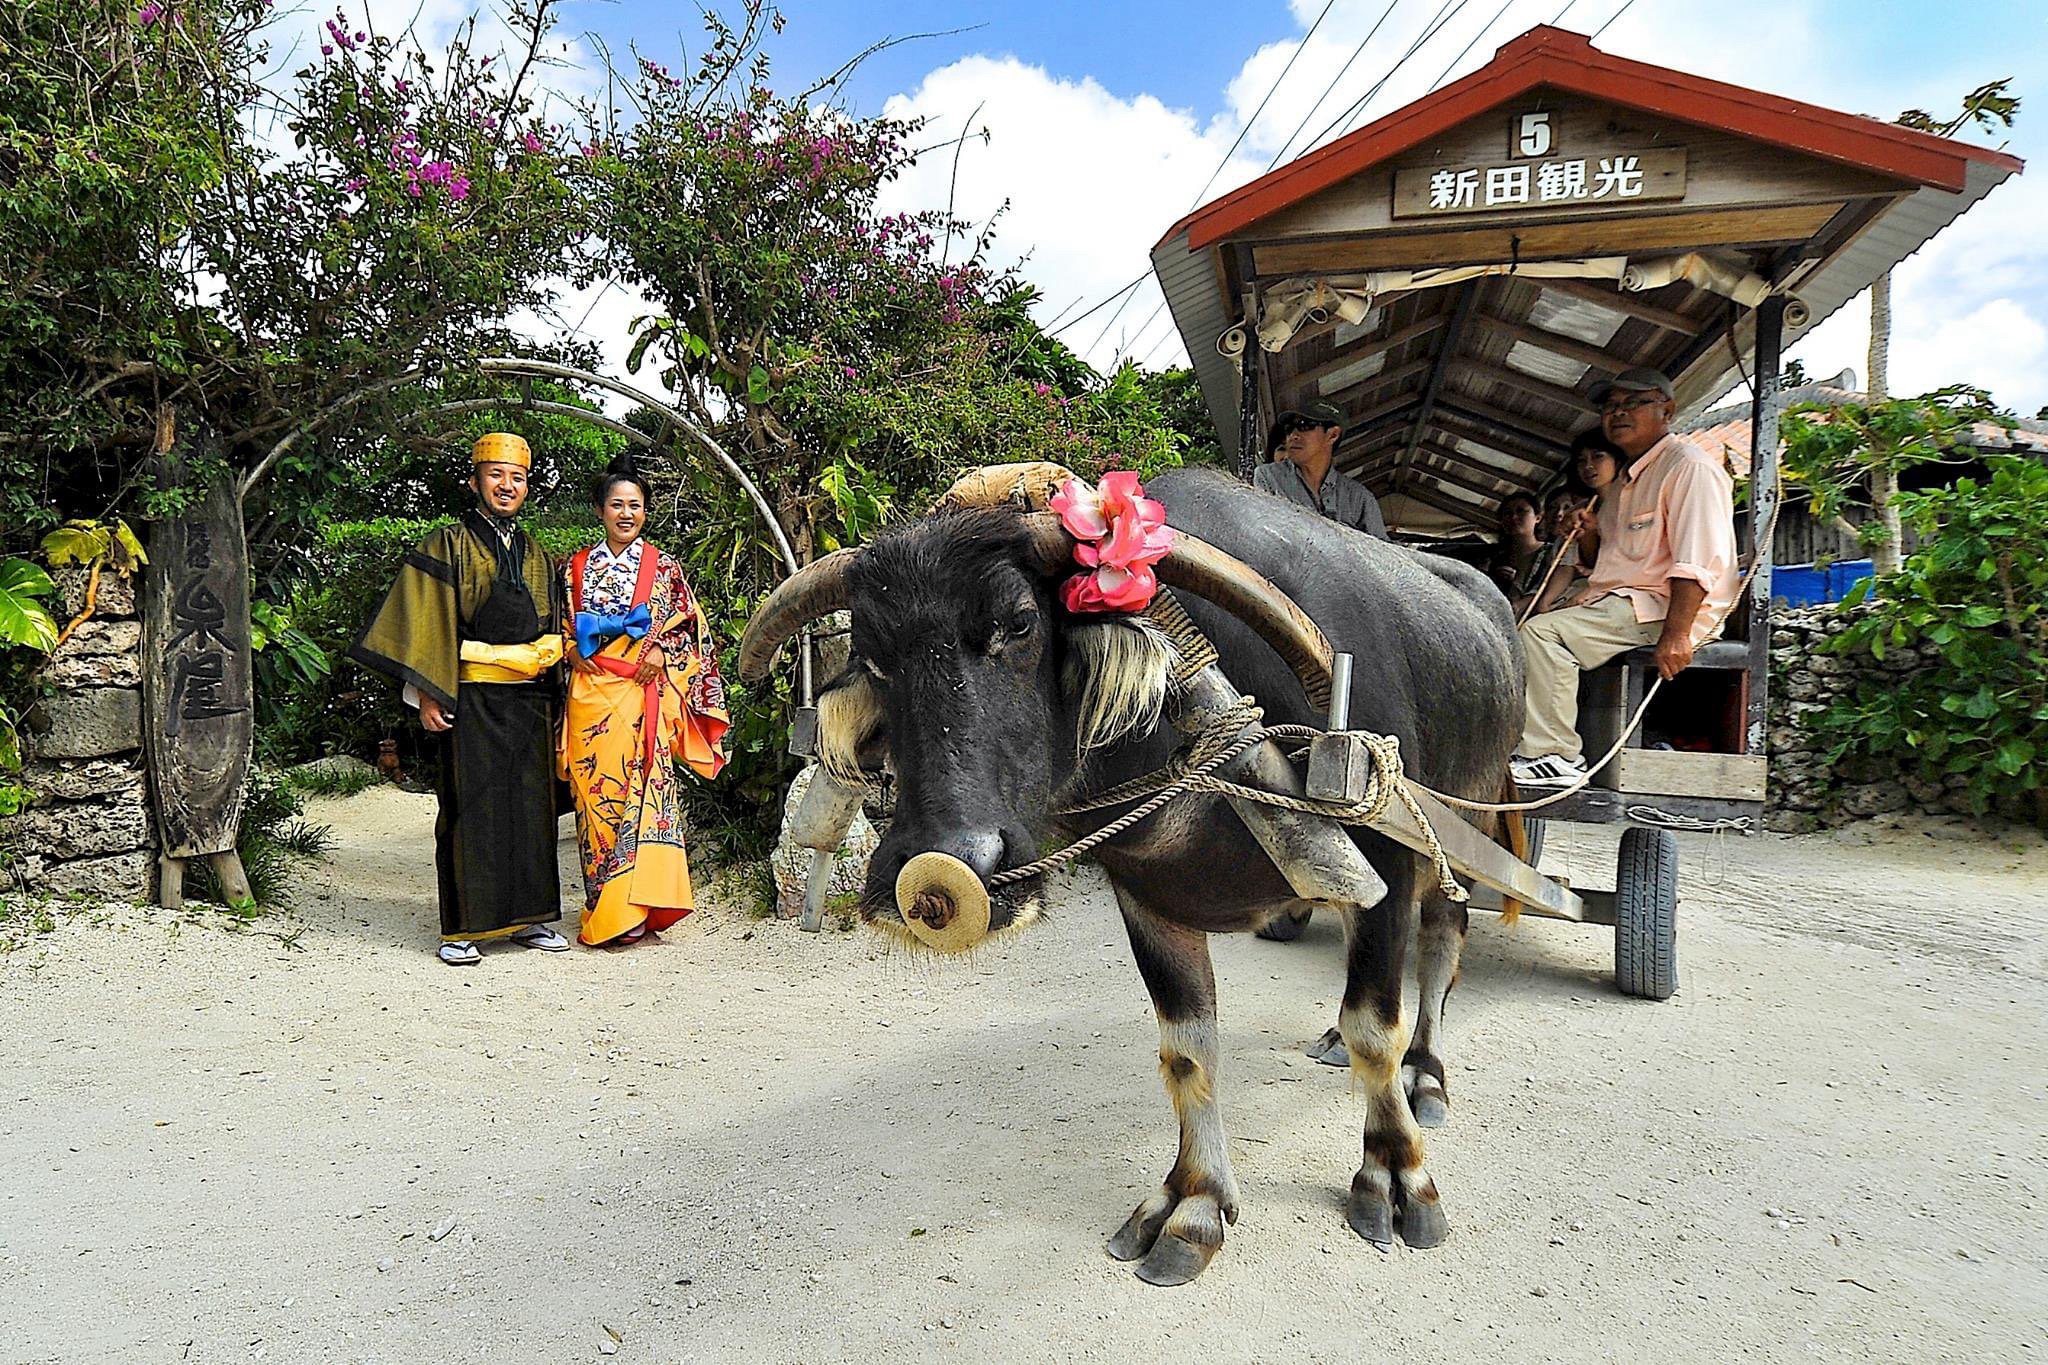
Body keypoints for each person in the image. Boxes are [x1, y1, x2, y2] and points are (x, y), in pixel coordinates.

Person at [348, 433, 572, 964]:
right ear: (474, 481)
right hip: (469, 700)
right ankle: (463, 928)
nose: (507, 485)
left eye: (517, 478)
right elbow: (426, 625)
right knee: (469, 809)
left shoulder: (537, 553)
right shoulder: (445, 544)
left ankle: (531, 919)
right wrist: (426, 693)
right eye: (496, 475)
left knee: (530, 811)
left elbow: (555, 626)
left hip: (528, 702)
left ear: (526, 488)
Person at [1511, 368, 1739, 789]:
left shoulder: (1688, 468)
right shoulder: (1626, 481)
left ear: (1666, 411)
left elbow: (1697, 562)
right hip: (1621, 601)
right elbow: (1605, 567)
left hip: (1666, 609)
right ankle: (1530, 740)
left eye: (1634, 403)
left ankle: (1554, 756)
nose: (1619, 413)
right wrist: (1592, 533)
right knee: (1525, 626)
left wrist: (1677, 635)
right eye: (1611, 406)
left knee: (1544, 636)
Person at [561, 455, 731, 947]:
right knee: (595, 803)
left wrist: (660, 647)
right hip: (589, 695)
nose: (626, 514)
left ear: (646, 512)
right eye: (617, 504)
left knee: (644, 799)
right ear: (600, 510)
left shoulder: (666, 569)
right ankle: (605, 908)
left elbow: (691, 628)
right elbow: (557, 626)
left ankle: (639, 910)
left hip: (642, 694)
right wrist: (571, 648)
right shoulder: (573, 568)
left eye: (635, 505)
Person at [1251, 398, 1389, 538]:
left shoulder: (1360, 499)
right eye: (1289, 428)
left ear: (1332, 435)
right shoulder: (1268, 477)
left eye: (1304, 425)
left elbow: (1383, 554)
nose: (1293, 435)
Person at [1486, 492, 1546, 615]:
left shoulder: (1549, 553)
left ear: (1538, 517)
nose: (1513, 517)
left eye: (1521, 511)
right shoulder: (1496, 557)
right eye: (1507, 513)